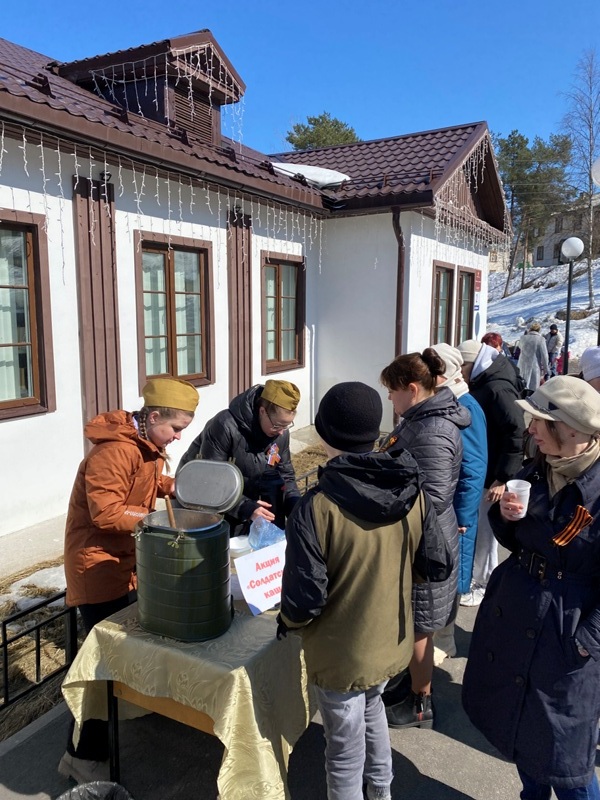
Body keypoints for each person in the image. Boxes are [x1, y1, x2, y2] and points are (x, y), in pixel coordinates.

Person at [278, 382, 451, 800]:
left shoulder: (316, 506)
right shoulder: (411, 489)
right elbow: (435, 564)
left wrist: (288, 622)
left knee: (342, 750)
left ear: (323, 436)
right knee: (372, 711)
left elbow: (305, 599)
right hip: (391, 640)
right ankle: (382, 792)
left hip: (341, 653)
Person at [462, 376, 600, 800]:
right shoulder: (539, 467)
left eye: (540, 421)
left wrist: (588, 639)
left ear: (574, 429)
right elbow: (518, 542)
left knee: (567, 759)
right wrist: (507, 518)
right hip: (519, 611)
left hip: (567, 629)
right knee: (523, 735)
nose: (531, 429)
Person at [60, 376, 199, 784]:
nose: (176, 438)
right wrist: (159, 521)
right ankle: (82, 755)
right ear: (153, 416)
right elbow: (106, 513)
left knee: (122, 655)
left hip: (123, 560)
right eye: (175, 429)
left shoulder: (147, 446)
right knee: (102, 664)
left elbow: (150, 484)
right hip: (97, 566)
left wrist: (185, 488)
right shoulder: (115, 452)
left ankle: (118, 722)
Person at [378, 349, 470, 728]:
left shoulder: (431, 431)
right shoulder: (424, 419)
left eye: (391, 390)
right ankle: (409, 683)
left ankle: (421, 703)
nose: (388, 398)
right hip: (423, 539)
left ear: (412, 389)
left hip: (425, 545)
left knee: (419, 624)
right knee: (414, 619)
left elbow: (429, 498)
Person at [177, 380, 301, 535]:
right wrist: (245, 507)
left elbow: (286, 475)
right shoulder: (224, 426)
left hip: (248, 502)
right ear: (262, 411)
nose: (281, 432)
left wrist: (295, 504)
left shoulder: (280, 434)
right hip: (205, 503)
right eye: (277, 425)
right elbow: (210, 481)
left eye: (287, 426)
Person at [457, 339, 526, 606]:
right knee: (484, 526)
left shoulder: (495, 387)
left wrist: (503, 477)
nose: (461, 374)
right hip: (490, 467)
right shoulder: (491, 378)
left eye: (461, 367)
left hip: (494, 473)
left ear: (471, 364)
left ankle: (483, 583)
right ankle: (482, 579)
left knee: (486, 530)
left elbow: (514, 431)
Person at [431, 344, 487, 662]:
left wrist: (464, 514)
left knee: (451, 575)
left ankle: (445, 641)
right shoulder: (445, 400)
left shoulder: (465, 404)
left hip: (456, 511)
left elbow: (474, 466)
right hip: (446, 508)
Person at [517, 322, 549, 392]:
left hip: (522, 365)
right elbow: (544, 356)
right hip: (534, 366)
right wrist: (546, 369)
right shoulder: (541, 339)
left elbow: (520, 347)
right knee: (533, 388)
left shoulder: (523, 338)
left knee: (522, 386)